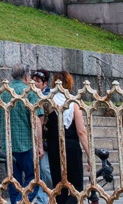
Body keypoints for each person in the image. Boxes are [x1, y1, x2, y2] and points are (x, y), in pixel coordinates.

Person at [40, 70, 88, 204]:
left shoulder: (48, 102)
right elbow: (81, 132)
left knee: (59, 187)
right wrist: (90, 155)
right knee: (76, 187)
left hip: (55, 146)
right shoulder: (73, 103)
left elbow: (41, 122)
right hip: (71, 146)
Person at [0, 66, 39, 204]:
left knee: (12, 181)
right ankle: (21, 202)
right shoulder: (29, 92)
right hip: (26, 144)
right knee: (33, 179)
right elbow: (36, 120)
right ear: (27, 77)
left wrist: (1, 142)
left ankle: (17, 201)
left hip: (8, 146)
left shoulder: (4, 93)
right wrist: (39, 145)